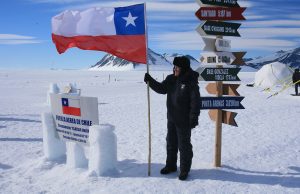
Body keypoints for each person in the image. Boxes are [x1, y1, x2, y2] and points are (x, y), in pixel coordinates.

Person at [144, 56, 201, 180]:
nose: (174, 69)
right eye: (174, 66)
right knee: (171, 143)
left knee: (184, 146)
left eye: (177, 67)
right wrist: (150, 81)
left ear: (183, 68)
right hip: (171, 118)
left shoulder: (191, 81)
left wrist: (193, 118)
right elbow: (161, 89)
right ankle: (171, 166)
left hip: (184, 121)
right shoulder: (171, 79)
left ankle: (184, 170)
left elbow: (195, 102)